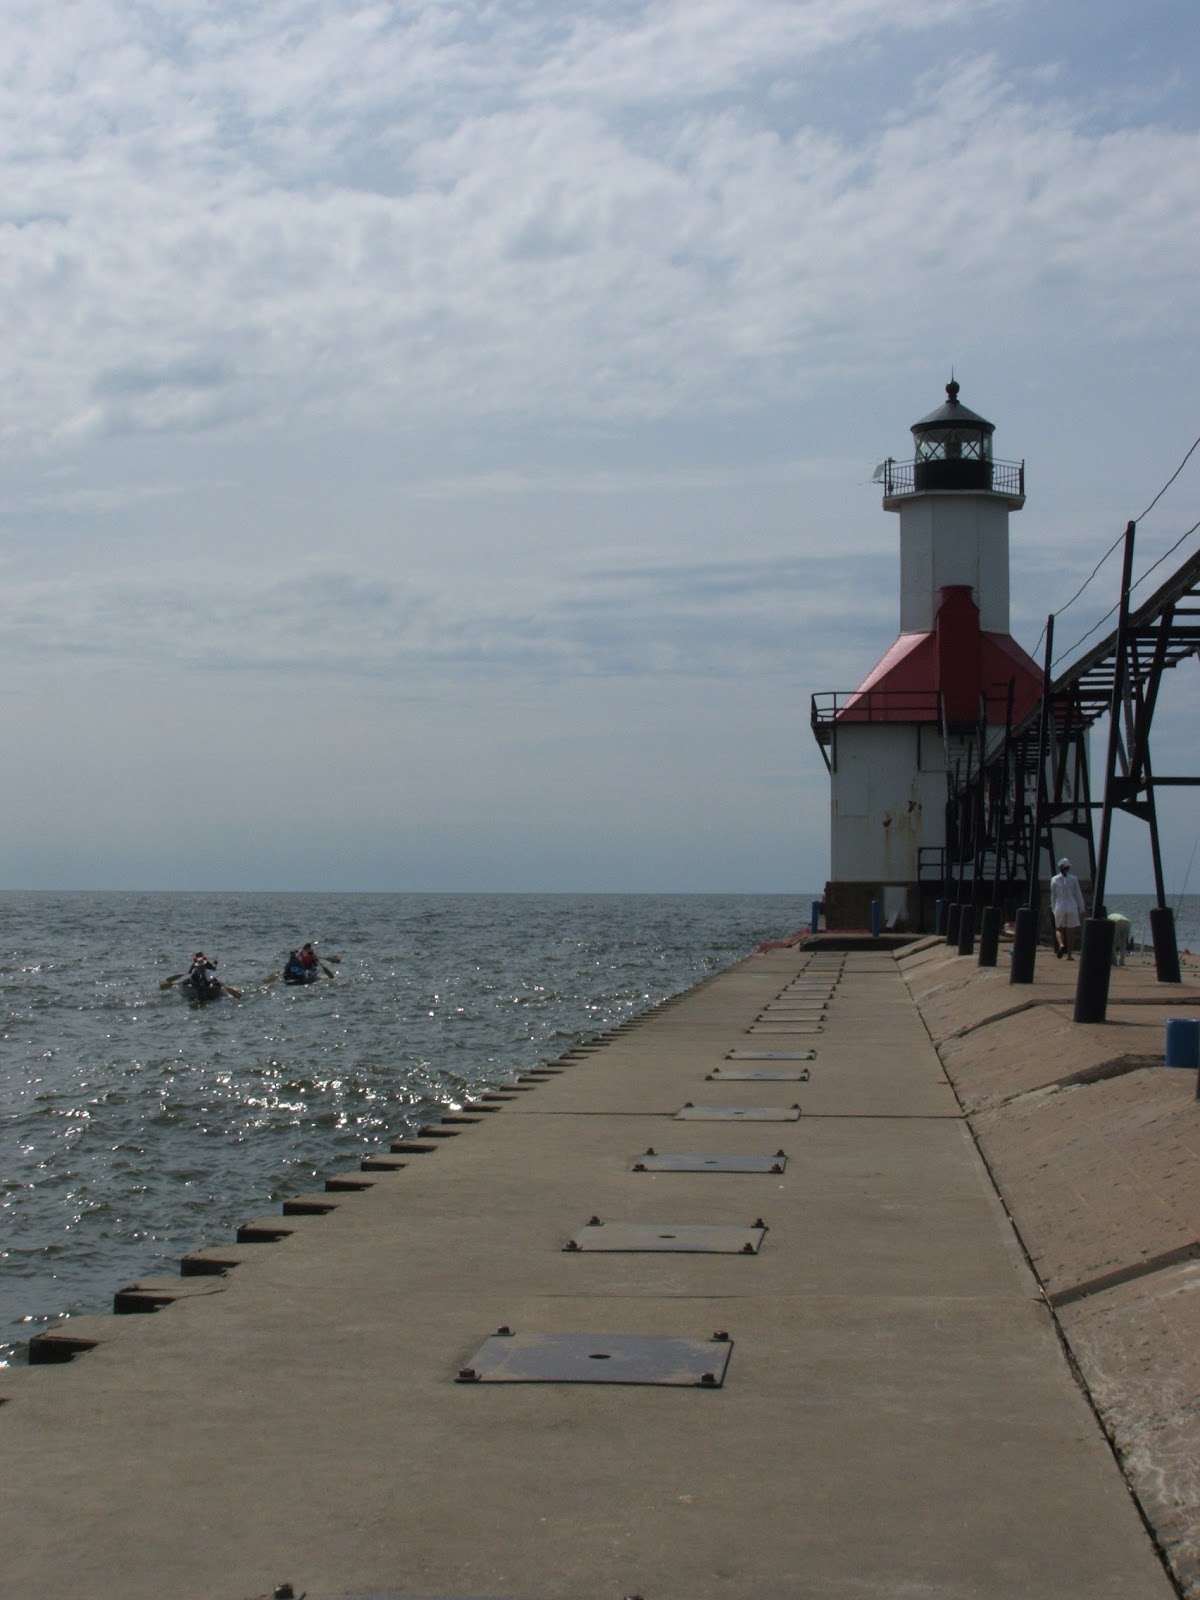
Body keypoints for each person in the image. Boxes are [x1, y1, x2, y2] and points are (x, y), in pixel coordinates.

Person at [1049, 858, 1086, 960]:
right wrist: (1081, 908)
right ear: (1068, 868)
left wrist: (1053, 908)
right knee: (1071, 932)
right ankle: (1069, 955)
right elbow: (1078, 894)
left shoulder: (1054, 879)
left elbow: (1053, 896)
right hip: (1071, 906)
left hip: (1059, 906)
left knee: (1059, 929)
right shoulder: (1073, 879)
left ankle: (1061, 944)